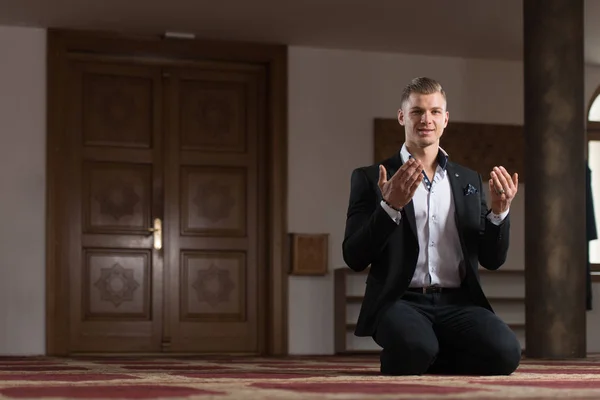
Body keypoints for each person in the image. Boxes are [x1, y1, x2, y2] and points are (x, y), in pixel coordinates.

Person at [342, 77, 521, 376]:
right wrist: (390, 207)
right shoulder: (370, 178)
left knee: (506, 354)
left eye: (435, 112)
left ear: (445, 119)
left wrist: (499, 214)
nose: (426, 119)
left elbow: (493, 259)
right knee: (417, 347)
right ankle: (418, 351)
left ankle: (427, 354)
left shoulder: (469, 181)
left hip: (458, 303)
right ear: (402, 116)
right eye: (417, 112)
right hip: (398, 301)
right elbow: (354, 257)